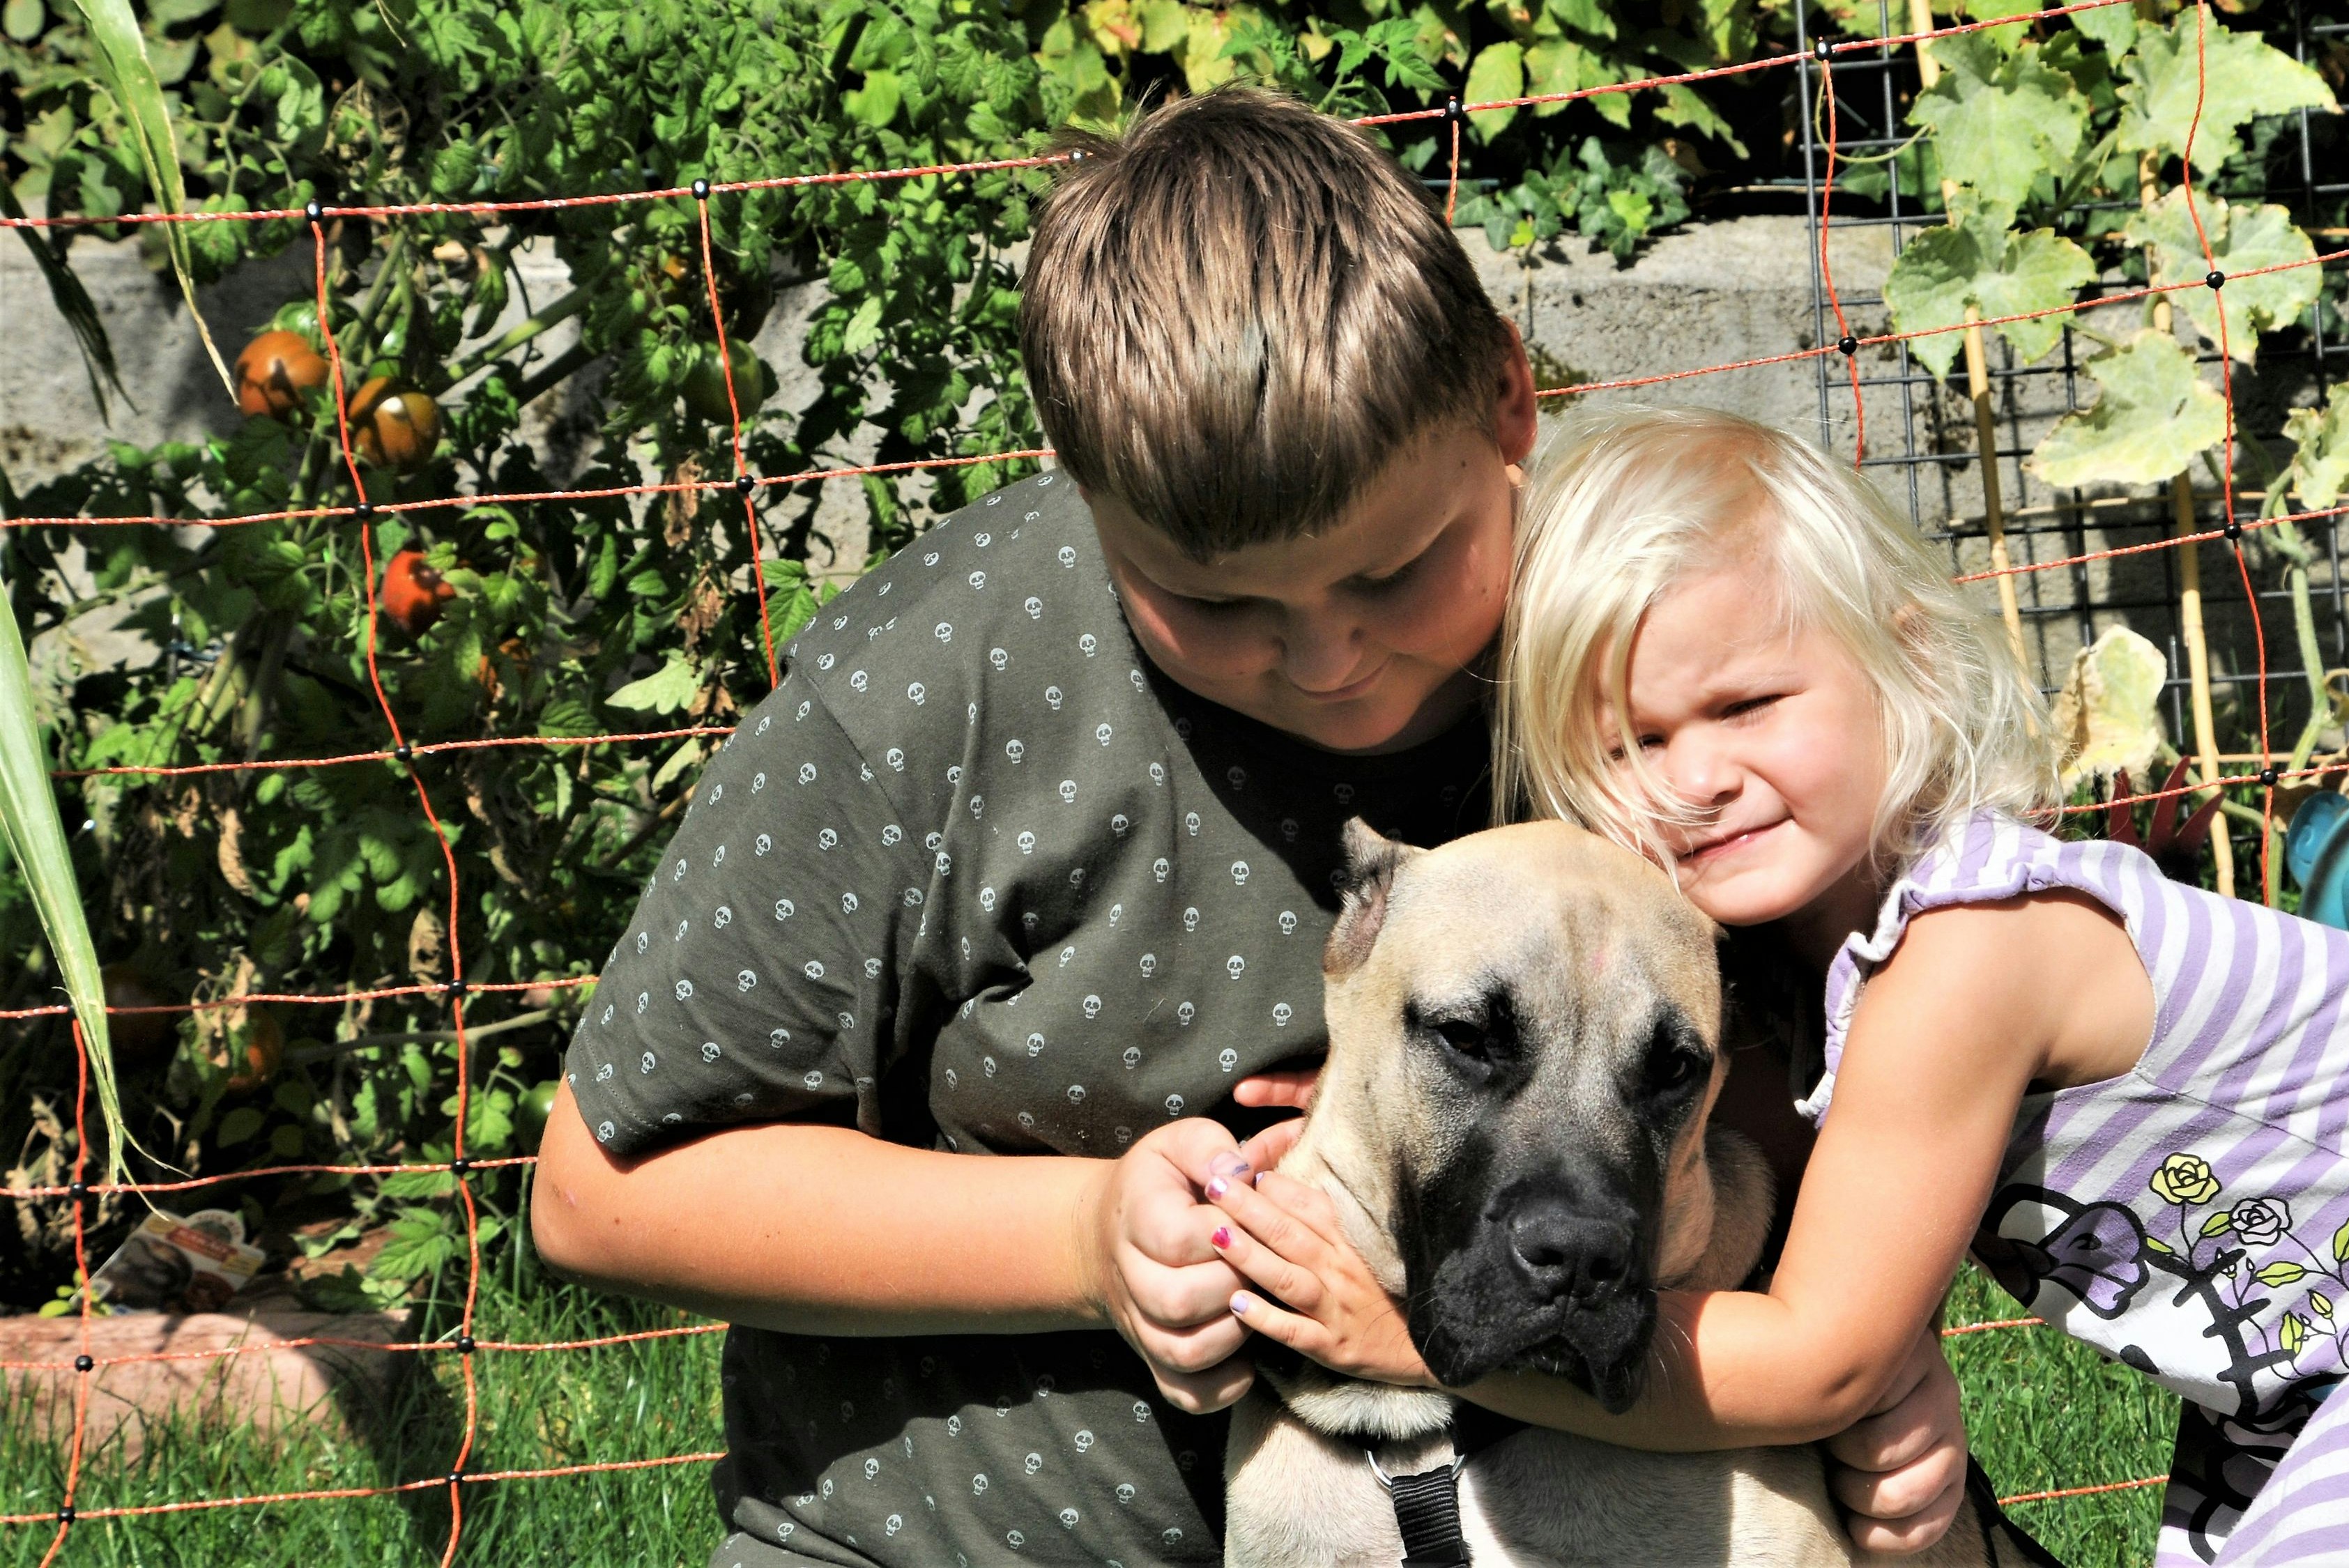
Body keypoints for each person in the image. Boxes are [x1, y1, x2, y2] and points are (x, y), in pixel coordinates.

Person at [533, 94, 1961, 1565]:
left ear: (1507, 403)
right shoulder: (942, 684)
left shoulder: (1624, 640)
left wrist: (1830, 1338)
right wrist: (1081, 1239)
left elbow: (1795, 1026)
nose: (1330, 658)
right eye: (1211, 604)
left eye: (1399, 570)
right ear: (1083, 490)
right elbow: (602, 1193)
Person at [1212, 406, 2349, 1565]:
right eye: (1631, 741)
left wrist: (1398, 1336)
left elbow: (1817, 1356)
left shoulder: (1965, 950)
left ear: (1902, 663)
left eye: (1746, 703)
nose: (1693, 778)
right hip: (2307, 1359)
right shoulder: (1775, 969)